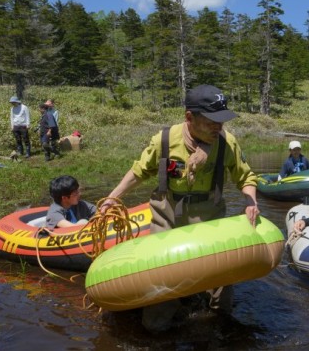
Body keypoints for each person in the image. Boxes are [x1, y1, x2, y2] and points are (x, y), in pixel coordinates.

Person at [100, 84, 260, 332]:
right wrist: (113, 198)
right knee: (161, 272)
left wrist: (251, 202)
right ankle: (157, 326)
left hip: (210, 217)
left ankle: (220, 322)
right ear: (189, 117)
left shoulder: (227, 143)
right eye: (211, 121)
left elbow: (246, 177)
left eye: (222, 121)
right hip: (167, 214)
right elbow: (138, 172)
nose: (219, 127)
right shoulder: (164, 140)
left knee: (221, 274)